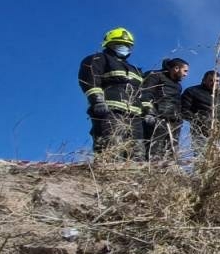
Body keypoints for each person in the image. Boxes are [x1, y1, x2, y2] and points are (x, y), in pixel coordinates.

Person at [77, 28, 150, 159]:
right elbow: (90, 80)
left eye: (127, 45)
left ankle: (136, 172)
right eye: (119, 44)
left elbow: (143, 92)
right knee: (111, 148)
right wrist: (97, 100)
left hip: (135, 116)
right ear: (109, 44)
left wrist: (148, 111)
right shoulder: (98, 59)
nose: (124, 47)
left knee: (138, 152)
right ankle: (109, 170)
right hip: (110, 112)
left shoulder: (136, 70)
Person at [142, 57, 189, 161]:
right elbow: (146, 93)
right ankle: (150, 168)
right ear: (176, 68)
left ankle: (168, 169)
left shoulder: (178, 85)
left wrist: (179, 119)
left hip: (174, 122)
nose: (186, 74)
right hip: (158, 119)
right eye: (185, 71)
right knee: (153, 150)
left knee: (171, 153)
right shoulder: (155, 75)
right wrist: (149, 112)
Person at [182, 70, 220, 145]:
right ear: (204, 80)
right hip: (200, 131)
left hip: (219, 132)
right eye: (211, 80)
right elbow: (184, 110)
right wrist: (199, 120)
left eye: (217, 81)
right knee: (201, 151)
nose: (214, 83)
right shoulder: (192, 91)